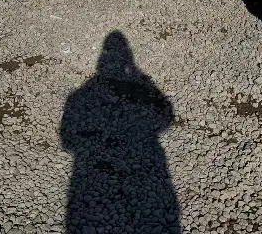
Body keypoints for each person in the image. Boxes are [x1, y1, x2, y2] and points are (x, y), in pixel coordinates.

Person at [60, 31, 180, 233]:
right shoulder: (139, 84)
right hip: (144, 162)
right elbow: (166, 118)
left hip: (90, 176)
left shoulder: (79, 96)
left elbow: (67, 140)